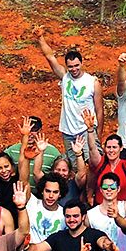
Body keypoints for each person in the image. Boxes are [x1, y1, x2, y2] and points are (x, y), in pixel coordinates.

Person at [36, 31, 102, 163]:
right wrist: (40, 38)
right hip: (68, 130)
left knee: (94, 162)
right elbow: (50, 56)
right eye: (70, 67)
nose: (74, 69)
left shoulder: (92, 82)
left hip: (86, 129)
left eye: (76, 65)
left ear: (81, 64)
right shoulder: (65, 78)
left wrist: (98, 133)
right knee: (75, 165)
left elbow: (99, 109)